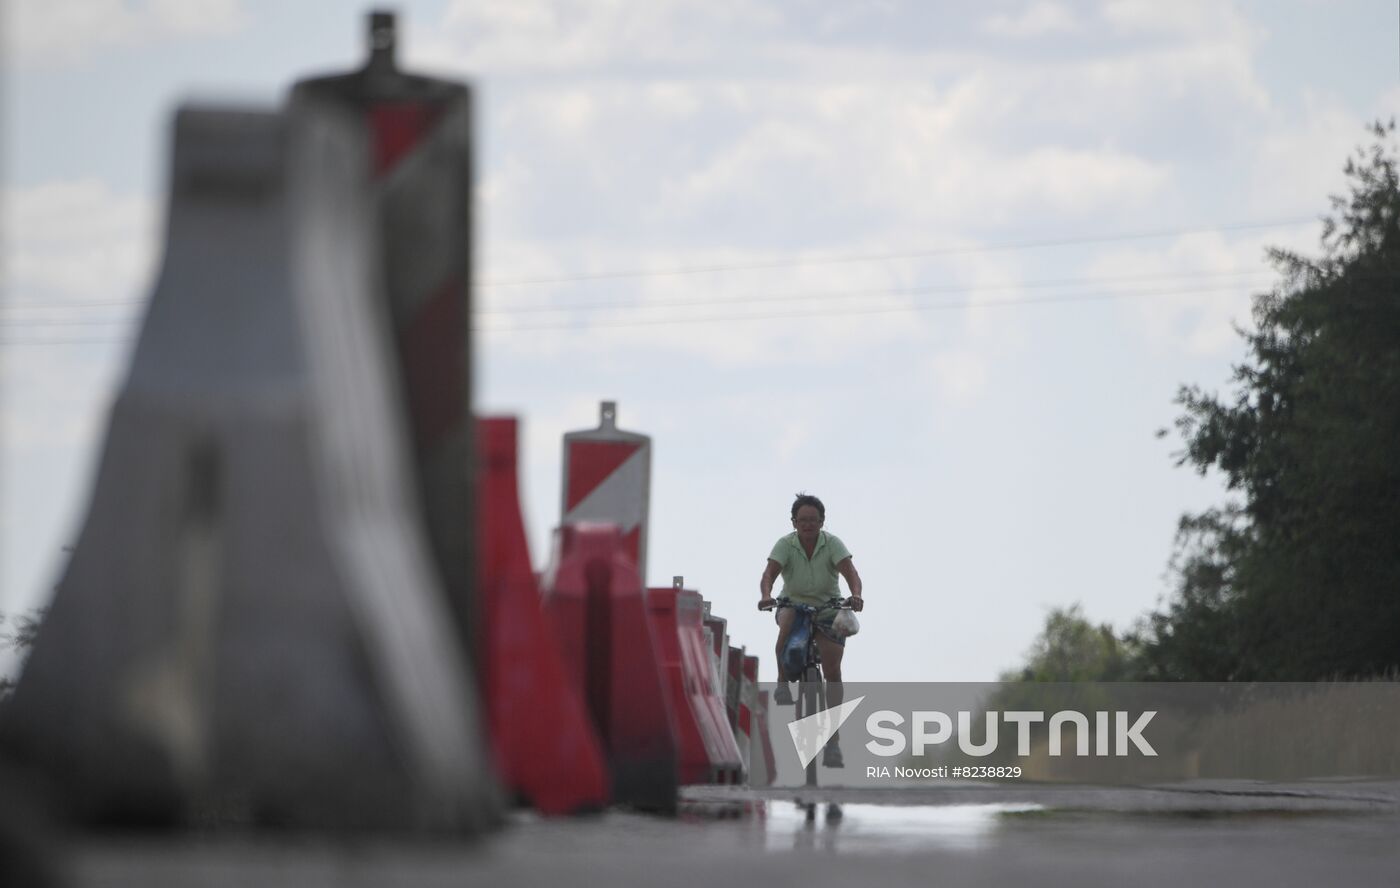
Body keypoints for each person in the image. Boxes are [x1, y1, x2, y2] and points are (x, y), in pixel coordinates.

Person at [758, 492, 863, 766]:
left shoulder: (832, 544)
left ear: (822, 522)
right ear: (794, 522)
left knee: (833, 671)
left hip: (828, 609)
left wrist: (856, 594)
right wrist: (767, 595)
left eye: (813, 520)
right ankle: (782, 681)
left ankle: (834, 744)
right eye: (802, 520)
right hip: (792, 605)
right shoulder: (785, 545)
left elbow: (851, 572)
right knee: (789, 620)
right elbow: (769, 574)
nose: (807, 525)